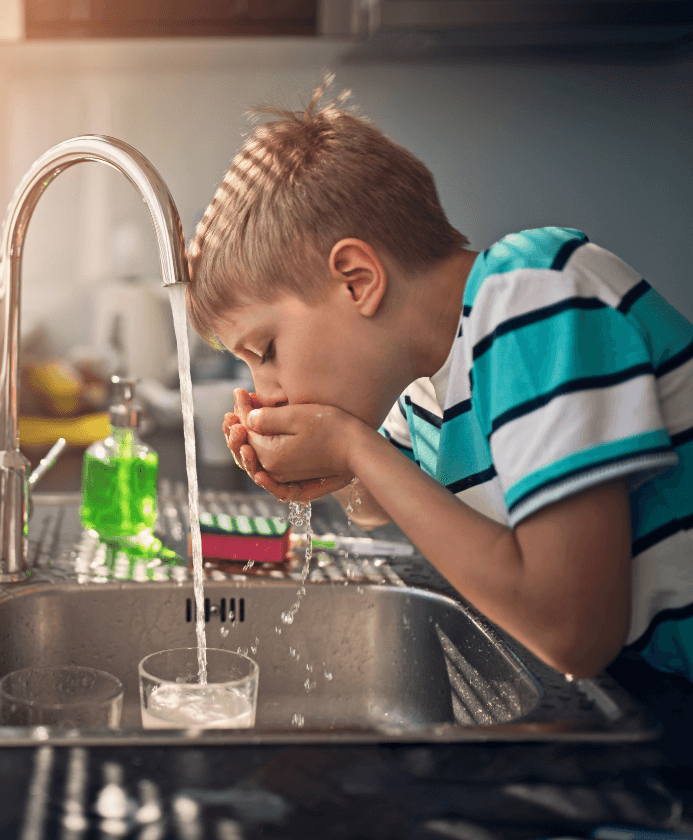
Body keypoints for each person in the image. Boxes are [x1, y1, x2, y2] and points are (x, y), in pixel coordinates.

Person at [186, 77, 693, 692]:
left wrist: (351, 447)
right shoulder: (426, 385)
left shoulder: (529, 294)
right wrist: (326, 472)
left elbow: (575, 633)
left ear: (356, 280)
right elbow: (377, 505)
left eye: (265, 351)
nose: (263, 391)